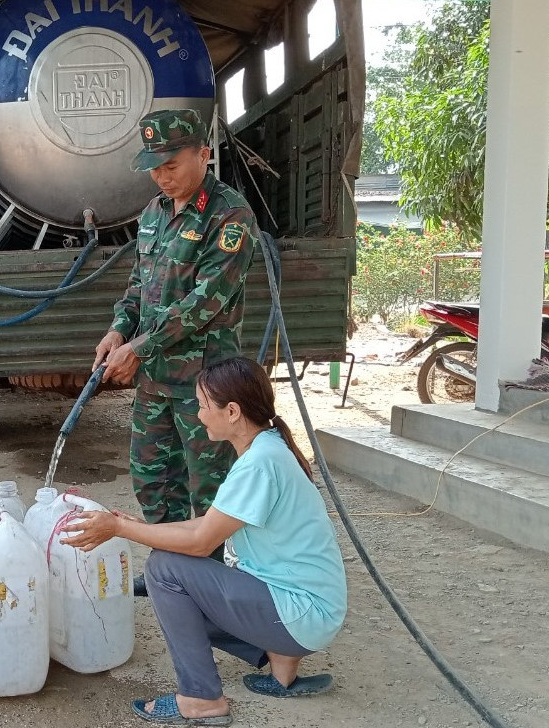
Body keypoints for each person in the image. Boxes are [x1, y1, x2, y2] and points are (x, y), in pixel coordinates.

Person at [63, 357, 347, 725]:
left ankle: (201, 698)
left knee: (164, 570)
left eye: (202, 405)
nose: (198, 416)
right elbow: (207, 525)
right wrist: (135, 526)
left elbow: (200, 542)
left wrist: (118, 529)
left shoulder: (259, 465)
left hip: (302, 614)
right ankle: (282, 666)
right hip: (309, 609)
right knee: (176, 563)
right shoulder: (269, 448)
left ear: (232, 411)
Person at [93, 108, 261, 595]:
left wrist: (139, 347)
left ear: (203, 154)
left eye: (170, 165)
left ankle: (210, 582)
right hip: (155, 379)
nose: (161, 177)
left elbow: (205, 303)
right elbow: (137, 287)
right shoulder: (153, 213)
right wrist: (118, 331)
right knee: (153, 478)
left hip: (205, 386)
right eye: (153, 167)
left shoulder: (229, 215)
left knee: (209, 484)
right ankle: (170, 571)